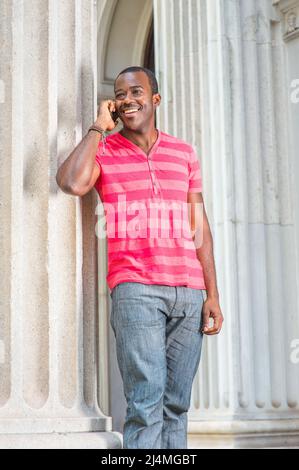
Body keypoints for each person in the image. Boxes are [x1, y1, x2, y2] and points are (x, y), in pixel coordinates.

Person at [56, 66, 224, 449]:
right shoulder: (106, 151)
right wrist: (99, 127)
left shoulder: (183, 153)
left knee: (176, 405)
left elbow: (200, 226)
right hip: (136, 290)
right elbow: (70, 183)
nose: (128, 99)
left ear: (155, 99)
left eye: (136, 92)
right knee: (146, 400)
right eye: (120, 94)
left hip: (189, 292)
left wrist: (211, 293)